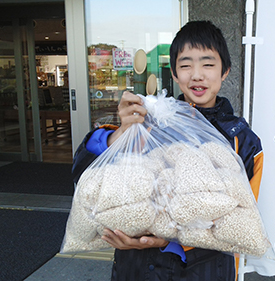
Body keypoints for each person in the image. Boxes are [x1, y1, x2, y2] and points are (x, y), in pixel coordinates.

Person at [71, 20, 264, 281]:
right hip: (138, 268)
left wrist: (166, 239)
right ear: (174, 73)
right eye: (186, 65)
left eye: (208, 64)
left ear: (225, 70)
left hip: (204, 271)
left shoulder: (242, 140)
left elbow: (241, 219)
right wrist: (119, 133)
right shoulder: (148, 123)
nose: (197, 74)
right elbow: (85, 177)